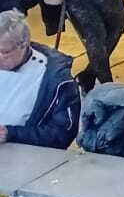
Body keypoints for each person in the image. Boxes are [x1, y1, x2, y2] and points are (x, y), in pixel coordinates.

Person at [0, 9, 80, 149]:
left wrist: (12, 133)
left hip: (22, 153)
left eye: (4, 52)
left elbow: (62, 133)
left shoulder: (56, 80)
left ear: (24, 44)